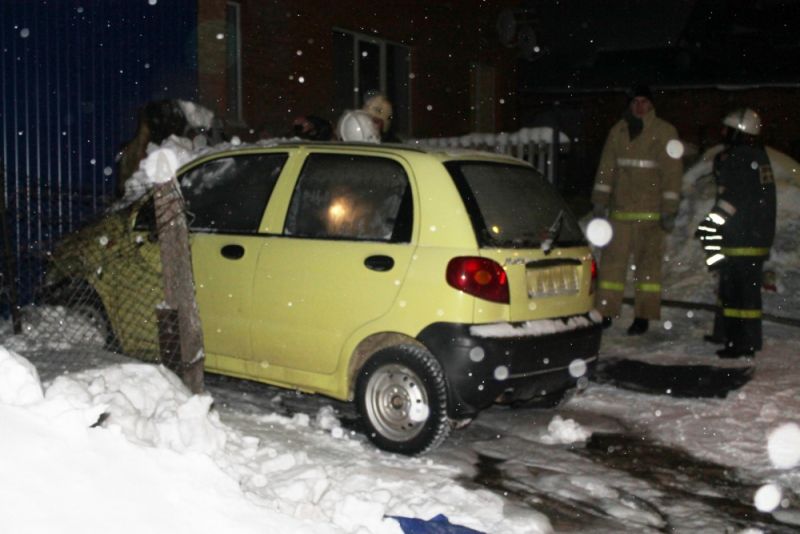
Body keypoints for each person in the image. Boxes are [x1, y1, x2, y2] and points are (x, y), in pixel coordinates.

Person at [591, 85, 683, 335]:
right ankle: (606, 311)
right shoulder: (618, 131)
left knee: (648, 270)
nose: (640, 107)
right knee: (611, 268)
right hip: (620, 213)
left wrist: (669, 209)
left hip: (651, 215)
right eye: (635, 102)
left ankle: (643, 316)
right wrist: (599, 201)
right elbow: (606, 168)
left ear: (652, 105)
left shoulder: (665, 132)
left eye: (644, 102)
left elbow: (672, 174)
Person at [695, 108, 776, 358]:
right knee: (730, 289)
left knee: (739, 295)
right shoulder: (756, 155)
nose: (723, 133)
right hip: (751, 235)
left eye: (727, 129)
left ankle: (742, 343)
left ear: (739, 132)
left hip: (743, 237)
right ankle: (725, 332)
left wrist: (710, 223)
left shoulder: (740, 157)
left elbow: (732, 200)